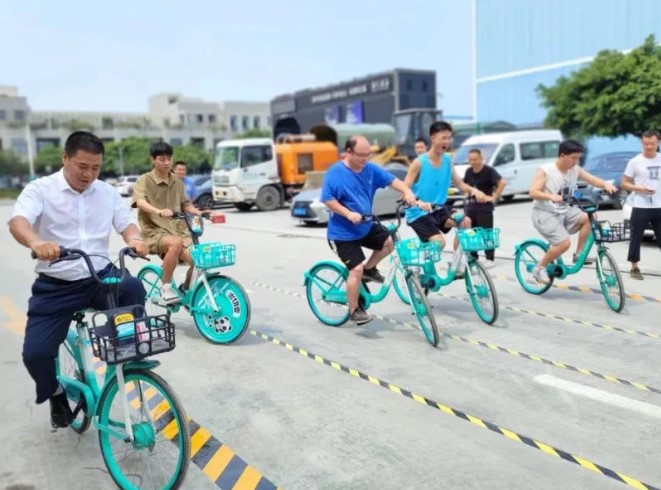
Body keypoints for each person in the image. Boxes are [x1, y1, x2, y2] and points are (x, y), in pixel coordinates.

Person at [7, 131, 148, 428]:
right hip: (56, 285)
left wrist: (135, 239)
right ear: (65, 158)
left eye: (96, 168)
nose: (89, 174)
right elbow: (19, 221)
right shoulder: (41, 189)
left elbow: (126, 224)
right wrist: (36, 242)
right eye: (82, 166)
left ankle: (125, 356)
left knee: (133, 287)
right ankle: (56, 393)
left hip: (99, 277)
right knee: (36, 355)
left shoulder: (107, 192)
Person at [321, 135, 417, 325]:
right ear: (349, 152)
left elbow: (392, 180)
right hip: (342, 234)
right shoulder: (335, 172)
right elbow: (327, 199)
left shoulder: (370, 169)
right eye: (361, 155)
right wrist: (348, 213)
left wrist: (407, 191)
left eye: (368, 155)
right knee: (355, 269)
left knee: (389, 242)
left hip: (364, 226)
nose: (365, 159)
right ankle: (354, 310)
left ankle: (370, 269)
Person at [404, 121, 487, 275]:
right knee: (439, 243)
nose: (447, 142)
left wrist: (474, 191)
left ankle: (457, 264)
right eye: (444, 138)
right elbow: (404, 189)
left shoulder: (448, 160)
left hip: (439, 209)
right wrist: (418, 202)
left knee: (465, 221)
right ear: (433, 138)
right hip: (418, 213)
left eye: (449, 138)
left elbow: (459, 184)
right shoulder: (419, 163)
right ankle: (415, 264)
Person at [529, 140, 617, 284]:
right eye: (573, 158)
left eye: (578, 158)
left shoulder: (574, 169)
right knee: (564, 244)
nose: (576, 161)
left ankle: (578, 254)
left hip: (564, 211)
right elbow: (533, 192)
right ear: (562, 156)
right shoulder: (545, 170)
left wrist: (606, 184)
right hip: (545, 213)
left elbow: (592, 179)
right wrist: (551, 196)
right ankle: (539, 268)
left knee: (590, 217)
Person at [132, 142, 204, 304]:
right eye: (161, 159)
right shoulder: (144, 180)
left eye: (169, 159)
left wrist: (198, 212)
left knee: (199, 260)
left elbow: (185, 204)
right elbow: (140, 202)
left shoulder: (177, 181)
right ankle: (166, 287)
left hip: (178, 230)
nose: (166, 163)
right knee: (175, 243)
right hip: (154, 231)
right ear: (153, 160)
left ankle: (185, 290)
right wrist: (158, 211)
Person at [621, 129, 661, 280]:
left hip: (659, 205)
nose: (649, 146)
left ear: (658, 143)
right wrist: (640, 189)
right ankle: (634, 267)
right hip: (640, 205)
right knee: (636, 236)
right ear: (642, 143)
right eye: (646, 144)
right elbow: (624, 183)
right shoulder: (635, 162)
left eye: (652, 143)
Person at [462, 148, 507, 267]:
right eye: (471, 160)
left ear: (481, 159)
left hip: (484, 208)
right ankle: (473, 257)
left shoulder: (489, 171)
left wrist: (494, 197)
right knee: (472, 233)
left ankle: (489, 258)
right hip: (471, 207)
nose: (473, 162)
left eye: (475, 159)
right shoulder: (468, 171)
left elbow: (502, 182)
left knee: (486, 233)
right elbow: (465, 186)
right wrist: (467, 195)